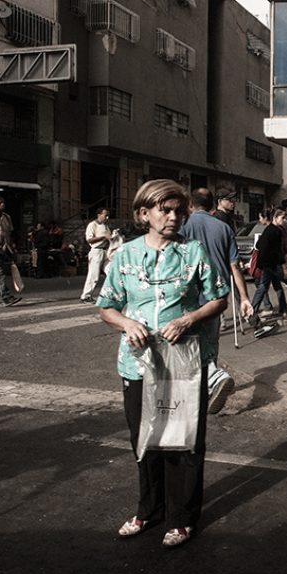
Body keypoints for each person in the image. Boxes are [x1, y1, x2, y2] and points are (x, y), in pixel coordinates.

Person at [96, 179, 229, 548]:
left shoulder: (193, 252)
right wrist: (127, 324)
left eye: (178, 211)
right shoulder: (125, 255)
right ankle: (148, 509)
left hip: (184, 362)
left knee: (184, 441)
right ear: (144, 214)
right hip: (137, 364)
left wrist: (188, 319)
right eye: (164, 210)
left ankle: (181, 517)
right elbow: (106, 306)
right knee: (144, 439)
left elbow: (219, 298)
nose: (173, 217)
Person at [181, 188, 264, 415]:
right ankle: (212, 383)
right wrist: (244, 298)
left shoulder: (183, 226)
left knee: (187, 344)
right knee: (211, 342)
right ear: (212, 205)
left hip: (188, 297)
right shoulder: (224, 228)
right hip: (216, 297)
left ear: (191, 205)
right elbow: (234, 266)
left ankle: (198, 386)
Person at [250, 208, 287, 319]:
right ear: (275, 218)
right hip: (270, 264)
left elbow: (258, 245)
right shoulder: (276, 231)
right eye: (282, 218)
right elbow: (278, 251)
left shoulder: (268, 229)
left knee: (276, 286)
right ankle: (252, 311)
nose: (284, 220)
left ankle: (283, 309)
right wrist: (284, 267)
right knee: (264, 287)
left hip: (267, 263)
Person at [80, 208, 111, 303]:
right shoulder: (92, 225)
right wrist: (103, 237)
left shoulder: (106, 226)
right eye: (105, 215)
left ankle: (113, 294)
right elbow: (89, 239)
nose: (107, 217)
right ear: (99, 215)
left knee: (112, 272)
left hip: (106, 251)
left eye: (108, 215)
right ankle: (86, 296)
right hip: (96, 251)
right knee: (94, 275)